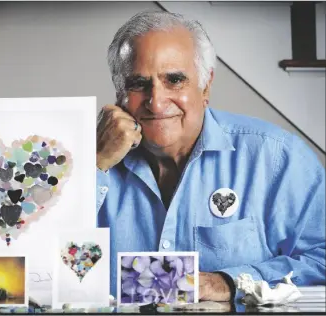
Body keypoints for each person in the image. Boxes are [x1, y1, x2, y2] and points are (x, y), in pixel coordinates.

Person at [96, 11, 325, 303]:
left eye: (174, 80)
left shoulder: (279, 158)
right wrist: (96, 164)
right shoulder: (83, 161)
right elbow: (31, 256)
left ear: (206, 86)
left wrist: (229, 282)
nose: (156, 101)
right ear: (119, 93)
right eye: (138, 83)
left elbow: (322, 258)